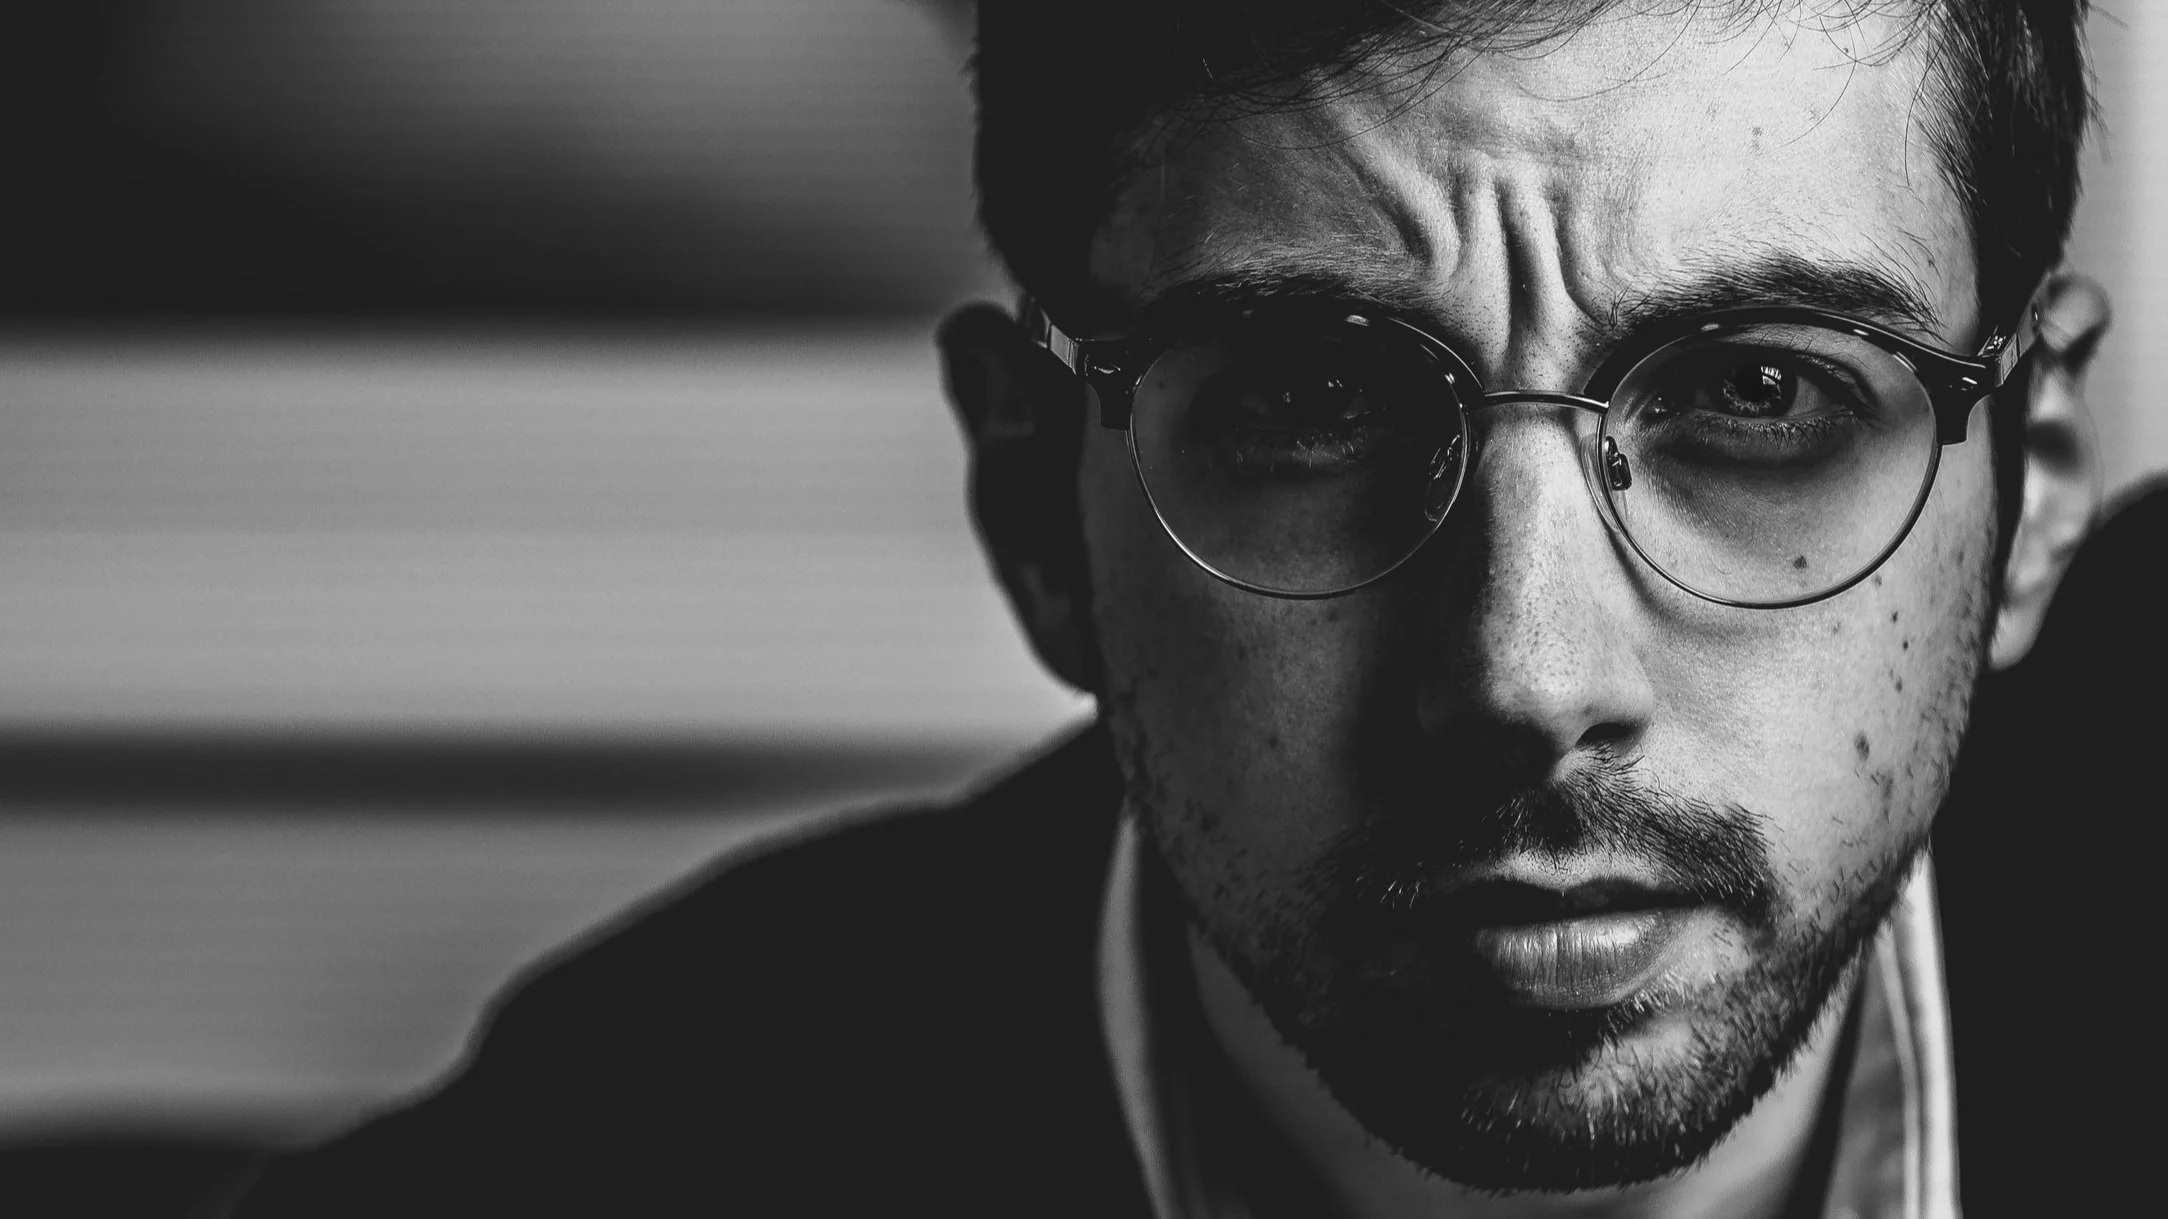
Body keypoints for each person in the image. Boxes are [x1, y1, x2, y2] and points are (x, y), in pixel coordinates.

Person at [233, 2, 2147, 1215]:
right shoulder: (618, 1157)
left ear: (2036, 480)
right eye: (1314, 402)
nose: (1531, 675)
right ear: (1032, 511)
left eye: (1760, 396)